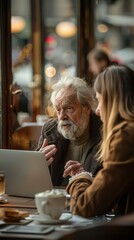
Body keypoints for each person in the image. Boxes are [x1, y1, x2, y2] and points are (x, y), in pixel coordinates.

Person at [65, 65, 134, 218]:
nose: (97, 110)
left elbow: (85, 206)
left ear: (112, 101)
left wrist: (79, 179)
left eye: (99, 100)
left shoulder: (126, 136)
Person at [36, 76, 102, 186]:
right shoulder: (50, 130)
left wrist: (86, 178)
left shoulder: (105, 132)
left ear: (87, 108)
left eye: (69, 108)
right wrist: (36, 165)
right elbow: (36, 182)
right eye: (58, 110)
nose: (61, 116)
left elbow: (112, 184)